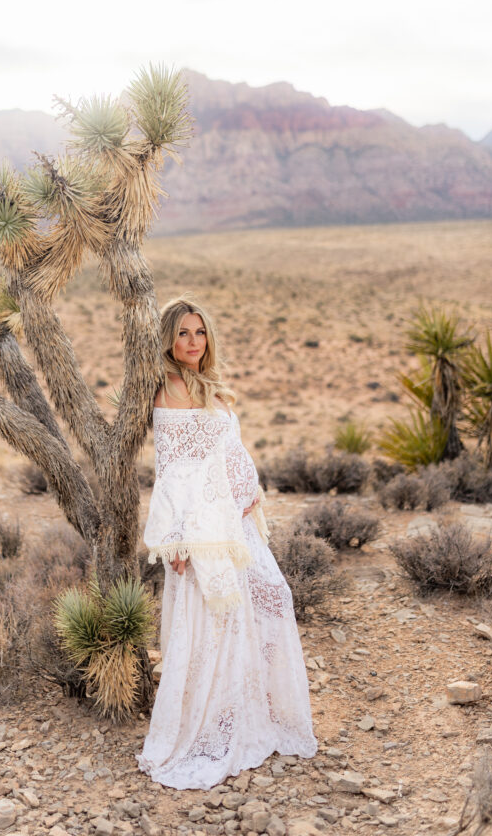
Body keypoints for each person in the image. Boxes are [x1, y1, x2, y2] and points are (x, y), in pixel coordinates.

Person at [136, 296, 318, 790]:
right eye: (182, 334)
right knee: (212, 625)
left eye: (199, 332)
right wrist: (175, 539)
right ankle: (209, 728)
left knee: (266, 604)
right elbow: (173, 471)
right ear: (168, 341)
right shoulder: (168, 390)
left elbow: (226, 450)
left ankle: (247, 715)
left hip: (235, 523)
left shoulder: (205, 384)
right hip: (205, 531)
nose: (192, 342)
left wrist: (246, 494)